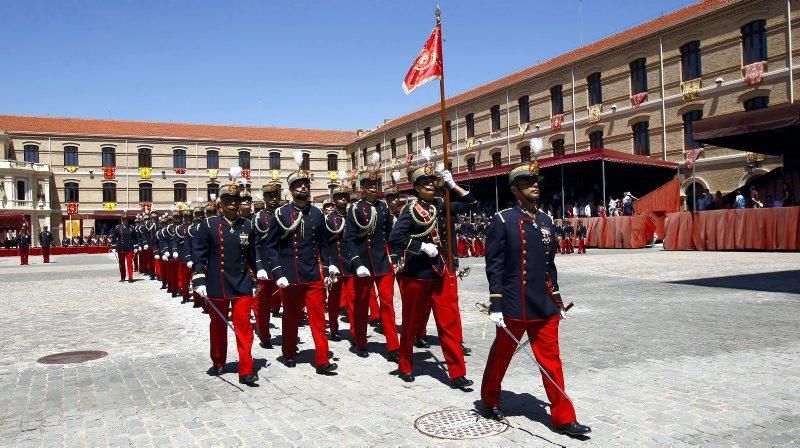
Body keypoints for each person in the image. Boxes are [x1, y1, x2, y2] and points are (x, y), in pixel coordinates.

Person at [481, 161, 591, 437]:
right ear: (515, 189)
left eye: (536, 181)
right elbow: (493, 265)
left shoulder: (545, 220)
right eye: (528, 182)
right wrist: (496, 304)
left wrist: (557, 299)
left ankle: (564, 417)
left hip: (543, 304)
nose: (535, 185)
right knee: (501, 356)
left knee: (552, 360)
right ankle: (490, 398)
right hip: (513, 303)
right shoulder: (503, 220)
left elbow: (549, 265)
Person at [388, 160, 474, 389]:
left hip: (441, 271)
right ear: (416, 187)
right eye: (424, 183)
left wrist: (453, 185)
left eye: (432, 182)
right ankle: (405, 364)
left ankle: (457, 373)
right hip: (417, 274)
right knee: (411, 322)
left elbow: (470, 203)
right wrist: (420, 247)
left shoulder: (441, 203)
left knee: (449, 324)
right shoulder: (409, 210)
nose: (430, 186)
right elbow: (395, 238)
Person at [262, 160, 337, 375]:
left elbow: (324, 243)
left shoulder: (316, 214)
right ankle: (288, 351)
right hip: (290, 274)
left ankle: (322, 359)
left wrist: (330, 265)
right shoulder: (281, 214)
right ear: (291, 190)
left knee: (317, 317)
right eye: (298, 185)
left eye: (306, 184)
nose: (303, 187)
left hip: (313, 274)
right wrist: (277, 272)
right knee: (291, 316)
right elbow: (270, 246)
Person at [192, 183, 259, 386]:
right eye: (228, 201)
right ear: (221, 204)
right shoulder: (209, 225)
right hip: (217, 283)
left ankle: (246, 369)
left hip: (241, 283)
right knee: (218, 326)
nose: (232, 205)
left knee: (244, 328)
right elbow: (199, 254)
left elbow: (252, 256)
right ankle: (218, 360)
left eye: (235, 201)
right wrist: (199, 279)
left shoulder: (247, 226)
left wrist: (256, 278)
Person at [343, 167, 400, 361]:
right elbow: (349, 239)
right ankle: (360, 341)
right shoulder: (355, 208)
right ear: (362, 188)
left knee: (387, 303)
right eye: (368, 185)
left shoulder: (384, 207)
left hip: (383, 264)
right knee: (360, 304)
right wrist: (357, 263)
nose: (373, 189)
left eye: (375, 185)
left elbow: (391, 236)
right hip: (363, 263)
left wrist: (395, 257)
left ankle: (393, 346)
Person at [252, 180, 284, 349]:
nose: (273, 199)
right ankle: (264, 334)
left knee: (289, 301)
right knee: (263, 302)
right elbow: (256, 244)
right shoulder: (259, 218)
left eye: (275, 195)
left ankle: (289, 334)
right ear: (264, 197)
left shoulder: (284, 214)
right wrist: (259, 266)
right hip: (266, 264)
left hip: (284, 263)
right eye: (269, 196)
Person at [111, 217, 136, 282]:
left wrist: (136, 246)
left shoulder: (131, 228)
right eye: (123, 220)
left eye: (126, 219)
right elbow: (114, 237)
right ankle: (123, 277)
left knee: (129, 263)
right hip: (121, 248)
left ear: (128, 220)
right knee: (122, 264)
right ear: (122, 220)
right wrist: (113, 247)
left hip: (130, 248)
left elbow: (135, 237)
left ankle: (130, 277)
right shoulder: (118, 228)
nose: (124, 221)